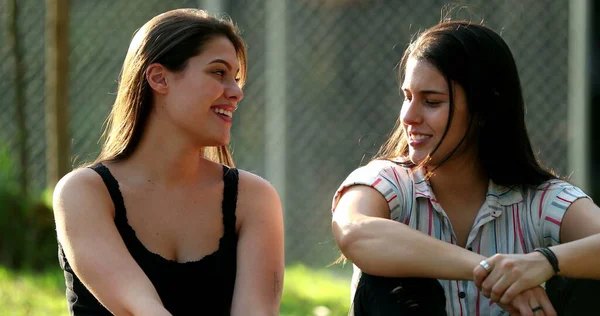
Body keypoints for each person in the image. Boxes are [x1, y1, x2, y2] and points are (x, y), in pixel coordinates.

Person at [331, 19, 600, 316]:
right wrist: (490, 271)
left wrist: (543, 263)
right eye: (407, 97)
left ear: (484, 109)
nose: (408, 116)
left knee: (586, 274)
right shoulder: (386, 181)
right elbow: (353, 230)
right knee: (390, 281)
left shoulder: (542, 200)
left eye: (431, 102)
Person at [52, 8, 284, 316]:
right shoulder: (83, 193)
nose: (237, 92)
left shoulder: (253, 198)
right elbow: (141, 309)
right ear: (159, 78)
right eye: (218, 72)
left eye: (237, 78)